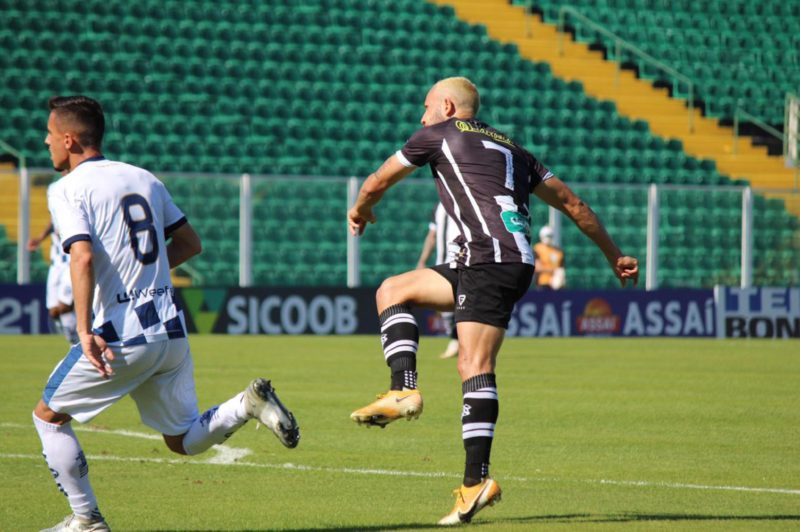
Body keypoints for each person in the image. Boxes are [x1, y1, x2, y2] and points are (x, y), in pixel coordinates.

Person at [347, 77, 638, 526]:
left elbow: (376, 181)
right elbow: (574, 204)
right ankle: (404, 389)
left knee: (474, 364)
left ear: (447, 106)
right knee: (393, 290)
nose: (422, 117)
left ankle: (475, 482)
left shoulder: (436, 135)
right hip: (488, 259)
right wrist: (614, 255)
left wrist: (361, 209)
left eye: (426, 107)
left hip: (490, 260)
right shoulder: (514, 149)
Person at [33, 96, 300, 532]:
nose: (45, 142)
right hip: (169, 329)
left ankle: (87, 520)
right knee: (182, 440)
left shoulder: (67, 188)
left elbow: (81, 257)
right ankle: (245, 405)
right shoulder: (144, 178)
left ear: (69, 139)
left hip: (120, 333)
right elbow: (191, 243)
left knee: (48, 417)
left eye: (49, 134)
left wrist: (83, 330)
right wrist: (144, 275)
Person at [28, 173, 79, 344]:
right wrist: (40, 238)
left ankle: (77, 345)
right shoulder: (54, 189)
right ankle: (75, 340)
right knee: (54, 311)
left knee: (64, 306)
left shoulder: (76, 194)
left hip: (70, 261)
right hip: (56, 263)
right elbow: (53, 221)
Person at [416, 202, 460, 359]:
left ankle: (457, 341)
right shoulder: (438, 207)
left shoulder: (466, 200)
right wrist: (422, 260)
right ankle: (456, 340)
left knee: (460, 303)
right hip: (443, 263)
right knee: (447, 305)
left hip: (462, 261)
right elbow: (432, 235)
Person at [533, 225, 566, 290]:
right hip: (543, 283)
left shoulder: (558, 251)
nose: (548, 238)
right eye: (546, 236)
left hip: (556, 285)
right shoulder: (537, 249)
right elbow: (537, 268)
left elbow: (561, 269)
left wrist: (560, 278)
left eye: (550, 236)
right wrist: (554, 270)